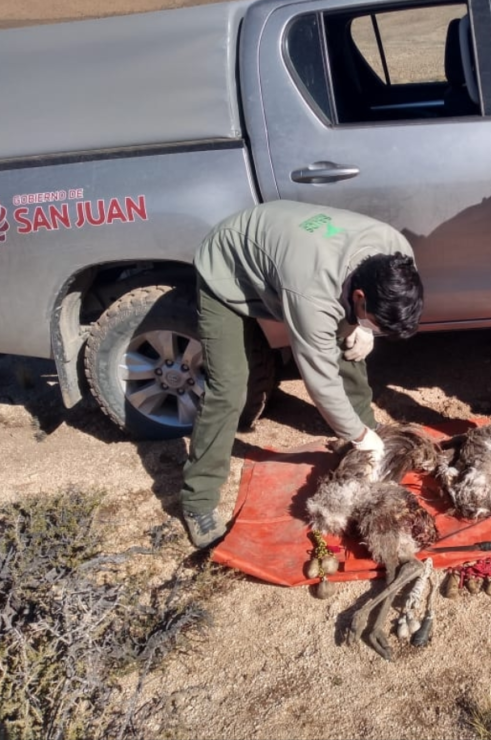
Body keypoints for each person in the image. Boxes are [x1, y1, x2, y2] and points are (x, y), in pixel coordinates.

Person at [180, 200, 424, 548]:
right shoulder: (311, 293)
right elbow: (320, 379)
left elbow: (347, 331)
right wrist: (357, 434)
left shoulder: (397, 251)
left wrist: (365, 327)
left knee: (350, 346)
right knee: (230, 388)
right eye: (373, 319)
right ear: (359, 296)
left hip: (289, 251)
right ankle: (197, 498)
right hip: (228, 264)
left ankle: (369, 440)